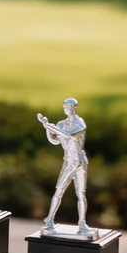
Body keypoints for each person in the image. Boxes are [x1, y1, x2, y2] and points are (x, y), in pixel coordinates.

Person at [38, 98, 93, 235]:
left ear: (74, 108)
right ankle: (50, 219)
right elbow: (55, 140)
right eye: (65, 106)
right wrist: (47, 128)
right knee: (59, 189)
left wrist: (50, 126)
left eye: (69, 106)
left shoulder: (80, 123)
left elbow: (70, 135)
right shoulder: (61, 124)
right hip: (68, 161)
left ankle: (82, 222)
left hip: (79, 161)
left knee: (81, 193)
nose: (67, 108)